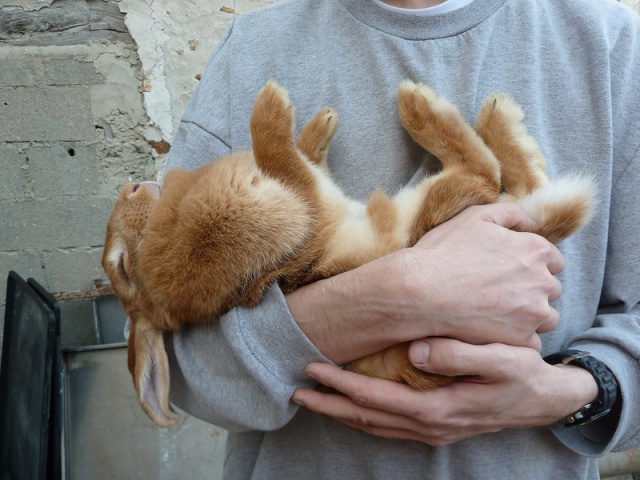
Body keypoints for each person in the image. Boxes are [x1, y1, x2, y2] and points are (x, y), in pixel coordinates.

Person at [163, 0, 640, 478]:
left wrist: (567, 392)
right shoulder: (253, 48)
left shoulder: (610, 42)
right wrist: (398, 295)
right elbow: (175, 362)